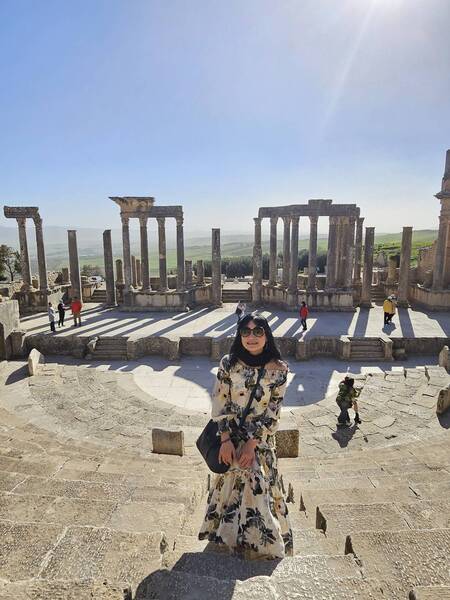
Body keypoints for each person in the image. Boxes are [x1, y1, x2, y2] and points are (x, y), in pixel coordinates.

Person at [199, 312, 293, 560]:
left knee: (257, 484)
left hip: (260, 440)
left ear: (266, 335)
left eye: (257, 331)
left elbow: (273, 412)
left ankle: (262, 548)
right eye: (246, 332)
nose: (251, 337)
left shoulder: (279, 370)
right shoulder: (228, 364)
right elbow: (220, 401)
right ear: (239, 335)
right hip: (230, 436)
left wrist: (252, 443)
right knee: (231, 485)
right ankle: (229, 543)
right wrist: (225, 440)